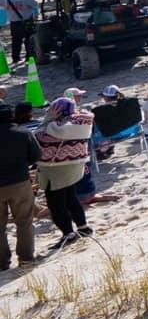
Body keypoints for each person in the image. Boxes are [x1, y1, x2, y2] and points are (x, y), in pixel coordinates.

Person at [36, 98, 93, 245]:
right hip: (74, 166)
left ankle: (68, 233)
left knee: (56, 205)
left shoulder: (55, 128)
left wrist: (48, 118)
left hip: (55, 169)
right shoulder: (82, 122)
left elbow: (38, 138)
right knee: (71, 198)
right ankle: (83, 227)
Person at [0, 103, 41, 267]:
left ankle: (2, 262)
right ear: (11, 116)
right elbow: (37, 155)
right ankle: (26, 258)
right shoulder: (24, 133)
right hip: (19, 182)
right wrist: (22, 165)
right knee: (24, 222)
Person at [4, 0, 37, 67]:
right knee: (28, 39)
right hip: (26, 20)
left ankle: (15, 58)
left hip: (14, 21)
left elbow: (6, 8)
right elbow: (35, 4)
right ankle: (29, 57)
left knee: (16, 40)